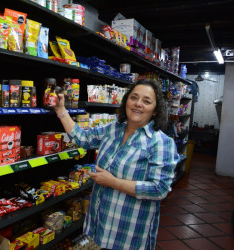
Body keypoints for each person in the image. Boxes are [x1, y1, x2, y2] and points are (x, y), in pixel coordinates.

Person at [55, 78, 180, 249]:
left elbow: (159, 189)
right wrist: (61, 110)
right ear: (126, 100)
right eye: (134, 97)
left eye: (146, 101)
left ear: (155, 111)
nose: (138, 104)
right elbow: (83, 138)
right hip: (96, 226)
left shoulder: (161, 143)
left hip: (126, 236)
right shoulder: (113, 129)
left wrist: (113, 182)